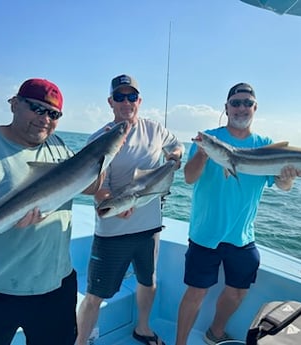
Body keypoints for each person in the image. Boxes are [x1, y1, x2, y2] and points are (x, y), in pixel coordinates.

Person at [0, 78, 102, 345]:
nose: (44, 119)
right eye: (37, 109)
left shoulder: (59, 145)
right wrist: (2, 217)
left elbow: (91, 185)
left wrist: (107, 153)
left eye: (53, 114)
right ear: (14, 104)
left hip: (55, 288)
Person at [175, 82, 301, 345]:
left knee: (237, 293)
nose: (241, 108)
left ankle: (216, 332)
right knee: (195, 293)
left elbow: (281, 185)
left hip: (242, 235)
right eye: (236, 103)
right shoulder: (208, 136)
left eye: (247, 103)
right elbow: (189, 178)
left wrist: (287, 178)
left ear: (255, 108)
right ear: (226, 107)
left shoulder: (265, 146)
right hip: (205, 233)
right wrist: (204, 152)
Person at [76, 74, 184, 345]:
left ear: (140, 100)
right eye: (120, 97)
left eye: (132, 96)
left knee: (148, 282)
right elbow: (98, 189)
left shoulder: (155, 129)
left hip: (149, 228)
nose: (127, 102)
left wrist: (174, 158)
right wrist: (116, 203)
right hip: (112, 230)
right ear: (110, 101)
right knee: (95, 295)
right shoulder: (98, 139)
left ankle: (143, 328)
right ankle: (79, 341)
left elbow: (177, 146)